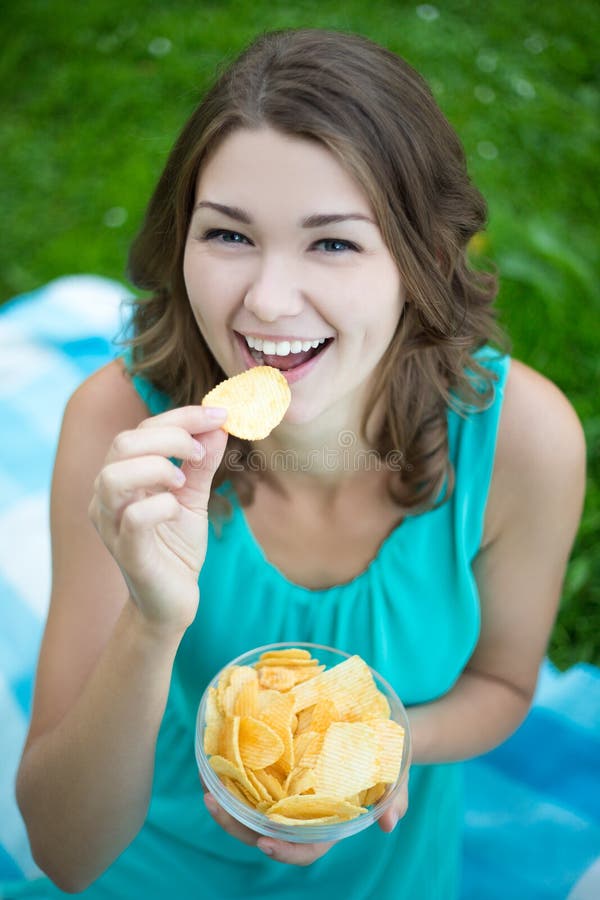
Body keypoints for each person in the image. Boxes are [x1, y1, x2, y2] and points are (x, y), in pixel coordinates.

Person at [14, 28, 585, 900]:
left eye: (333, 244)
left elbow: (504, 683)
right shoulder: (123, 427)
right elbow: (65, 852)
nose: (268, 300)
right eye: (229, 236)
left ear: (425, 259)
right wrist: (153, 621)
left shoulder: (521, 441)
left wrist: (390, 747)